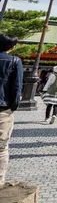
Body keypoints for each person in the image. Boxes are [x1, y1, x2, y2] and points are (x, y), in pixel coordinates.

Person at [0, 34, 23, 188]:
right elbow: (16, 87)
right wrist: (13, 106)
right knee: (1, 148)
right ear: (12, 47)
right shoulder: (14, 61)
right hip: (3, 108)